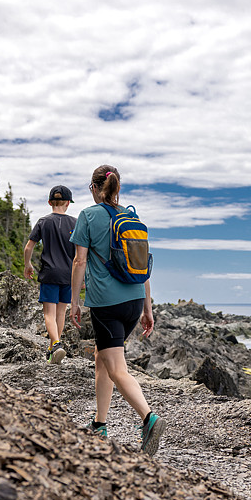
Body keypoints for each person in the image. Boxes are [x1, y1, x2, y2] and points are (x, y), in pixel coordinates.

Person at [69, 165, 164, 456]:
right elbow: (143, 268)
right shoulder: (132, 218)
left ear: (94, 188)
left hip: (106, 304)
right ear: (117, 188)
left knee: (117, 369)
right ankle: (99, 424)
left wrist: (74, 301)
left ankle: (149, 418)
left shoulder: (88, 216)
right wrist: (147, 308)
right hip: (134, 301)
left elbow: (79, 261)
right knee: (102, 358)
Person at [23, 185, 77, 364]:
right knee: (61, 313)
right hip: (68, 275)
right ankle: (53, 348)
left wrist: (28, 264)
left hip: (50, 273)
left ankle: (55, 344)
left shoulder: (43, 221)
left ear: (49, 202)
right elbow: (81, 253)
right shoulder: (75, 223)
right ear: (68, 203)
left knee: (49, 313)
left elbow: (29, 247)